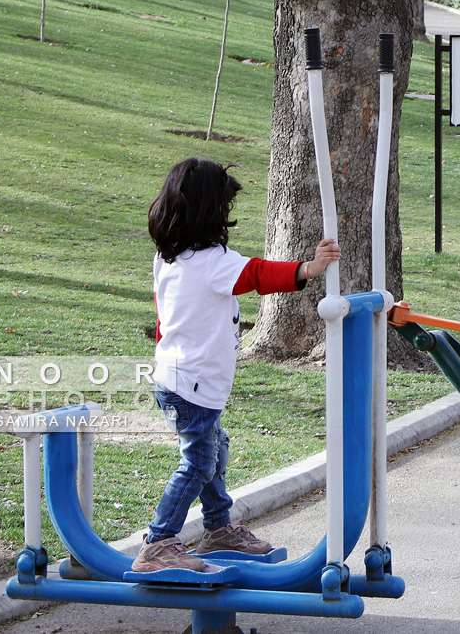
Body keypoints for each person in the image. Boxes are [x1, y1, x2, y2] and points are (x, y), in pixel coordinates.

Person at [133, 158, 341, 572]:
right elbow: (259, 275)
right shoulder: (214, 262)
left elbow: (163, 319)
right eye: (225, 207)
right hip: (194, 384)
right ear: (210, 212)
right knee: (197, 462)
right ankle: (158, 543)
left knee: (213, 449)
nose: (229, 215)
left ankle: (217, 528)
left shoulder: (168, 258)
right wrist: (310, 268)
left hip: (174, 377)